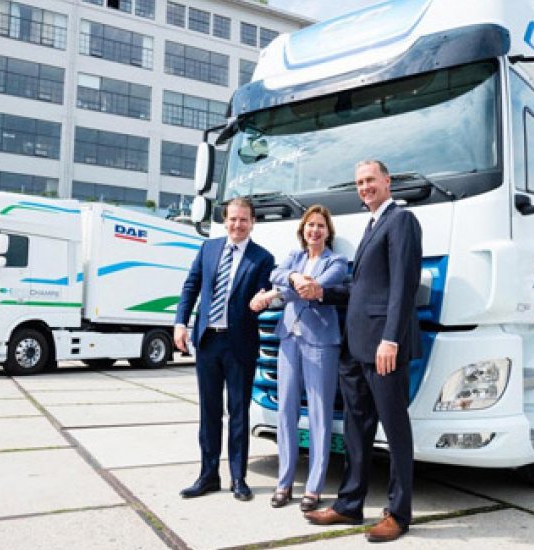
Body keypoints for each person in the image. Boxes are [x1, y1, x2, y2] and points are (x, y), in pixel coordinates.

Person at [300, 160, 422, 543]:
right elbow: (361, 289)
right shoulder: (370, 227)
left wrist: (391, 339)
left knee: (395, 428)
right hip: (356, 347)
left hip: (383, 347)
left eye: (370, 180)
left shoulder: (401, 221)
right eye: (359, 182)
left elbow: (404, 284)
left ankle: (399, 513)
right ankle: (350, 504)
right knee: (356, 428)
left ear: (387, 180)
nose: (364, 187)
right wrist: (323, 292)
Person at [174, 197, 274, 501]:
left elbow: (265, 294)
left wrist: (263, 300)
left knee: (239, 413)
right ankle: (208, 476)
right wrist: (180, 323)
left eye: (243, 219)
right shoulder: (208, 248)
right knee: (209, 412)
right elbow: (191, 287)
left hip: (239, 345)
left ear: (252, 222)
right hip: (208, 342)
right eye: (232, 219)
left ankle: (238, 478)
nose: (237, 225)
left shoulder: (262, 258)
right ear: (225, 220)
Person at [249, 205, 347, 512]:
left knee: (319, 413)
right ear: (303, 230)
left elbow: (314, 290)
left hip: (321, 342)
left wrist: (275, 293)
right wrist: (291, 277)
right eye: (310, 225)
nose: (314, 230)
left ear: (328, 232)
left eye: (320, 226)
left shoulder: (336, 261)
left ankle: (314, 487)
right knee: (285, 410)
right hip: (289, 338)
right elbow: (276, 274)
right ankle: (284, 482)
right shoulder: (294, 257)